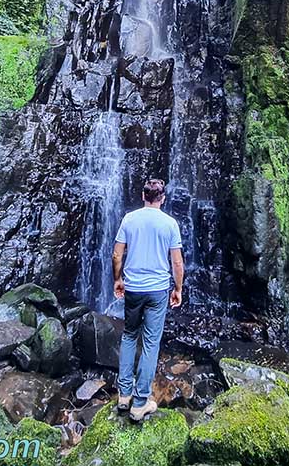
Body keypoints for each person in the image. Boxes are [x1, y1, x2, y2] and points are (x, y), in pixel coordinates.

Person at [112, 177, 184, 422]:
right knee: (151, 342)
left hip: (133, 289)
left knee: (130, 335)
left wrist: (118, 280)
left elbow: (116, 253)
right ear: (162, 198)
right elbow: (176, 262)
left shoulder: (129, 219)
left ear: (143, 196)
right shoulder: (169, 224)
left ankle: (123, 395)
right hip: (157, 291)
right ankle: (140, 402)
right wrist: (178, 288)